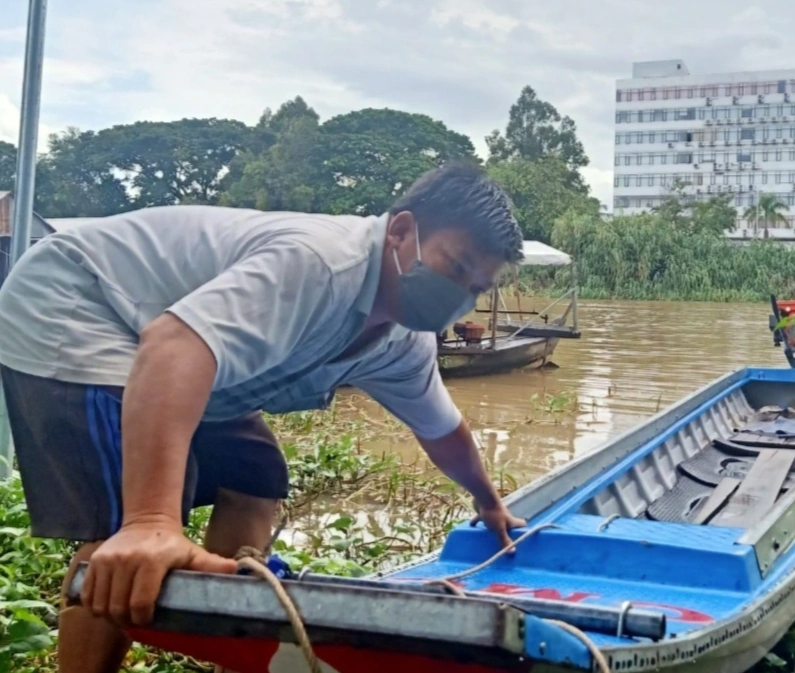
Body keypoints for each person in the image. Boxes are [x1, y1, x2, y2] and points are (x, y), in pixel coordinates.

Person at [0, 162, 527, 673]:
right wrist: (151, 522)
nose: (460, 295)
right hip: (82, 304)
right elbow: (175, 345)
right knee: (129, 524)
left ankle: (222, 626)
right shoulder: (322, 265)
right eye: (455, 268)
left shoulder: (403, 342)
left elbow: (442, 429)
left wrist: (489, 502)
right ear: (403, 231)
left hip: (188, 348)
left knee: (257, 473)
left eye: (477, 287)